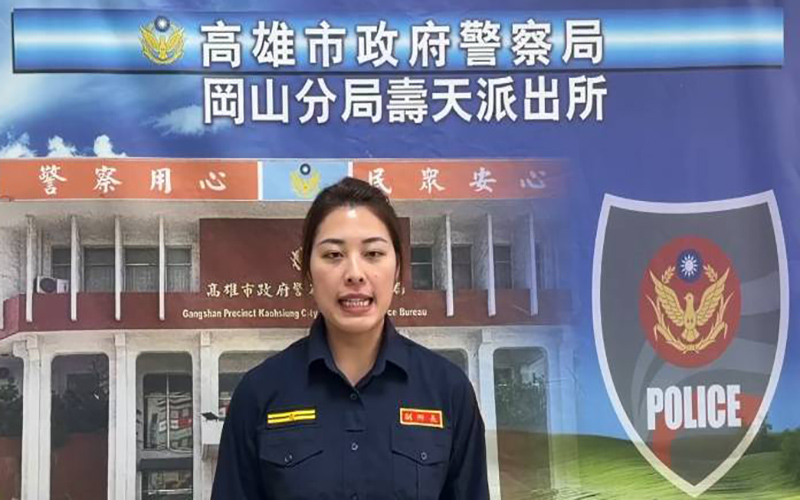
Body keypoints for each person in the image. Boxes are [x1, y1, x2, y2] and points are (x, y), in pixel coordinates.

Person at [211, 177, 489, 500]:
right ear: (307, 271)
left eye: (373, 253)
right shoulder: (258, 394)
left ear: (398, 268)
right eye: (333, 255)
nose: (355, 273)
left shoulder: (448, 391)